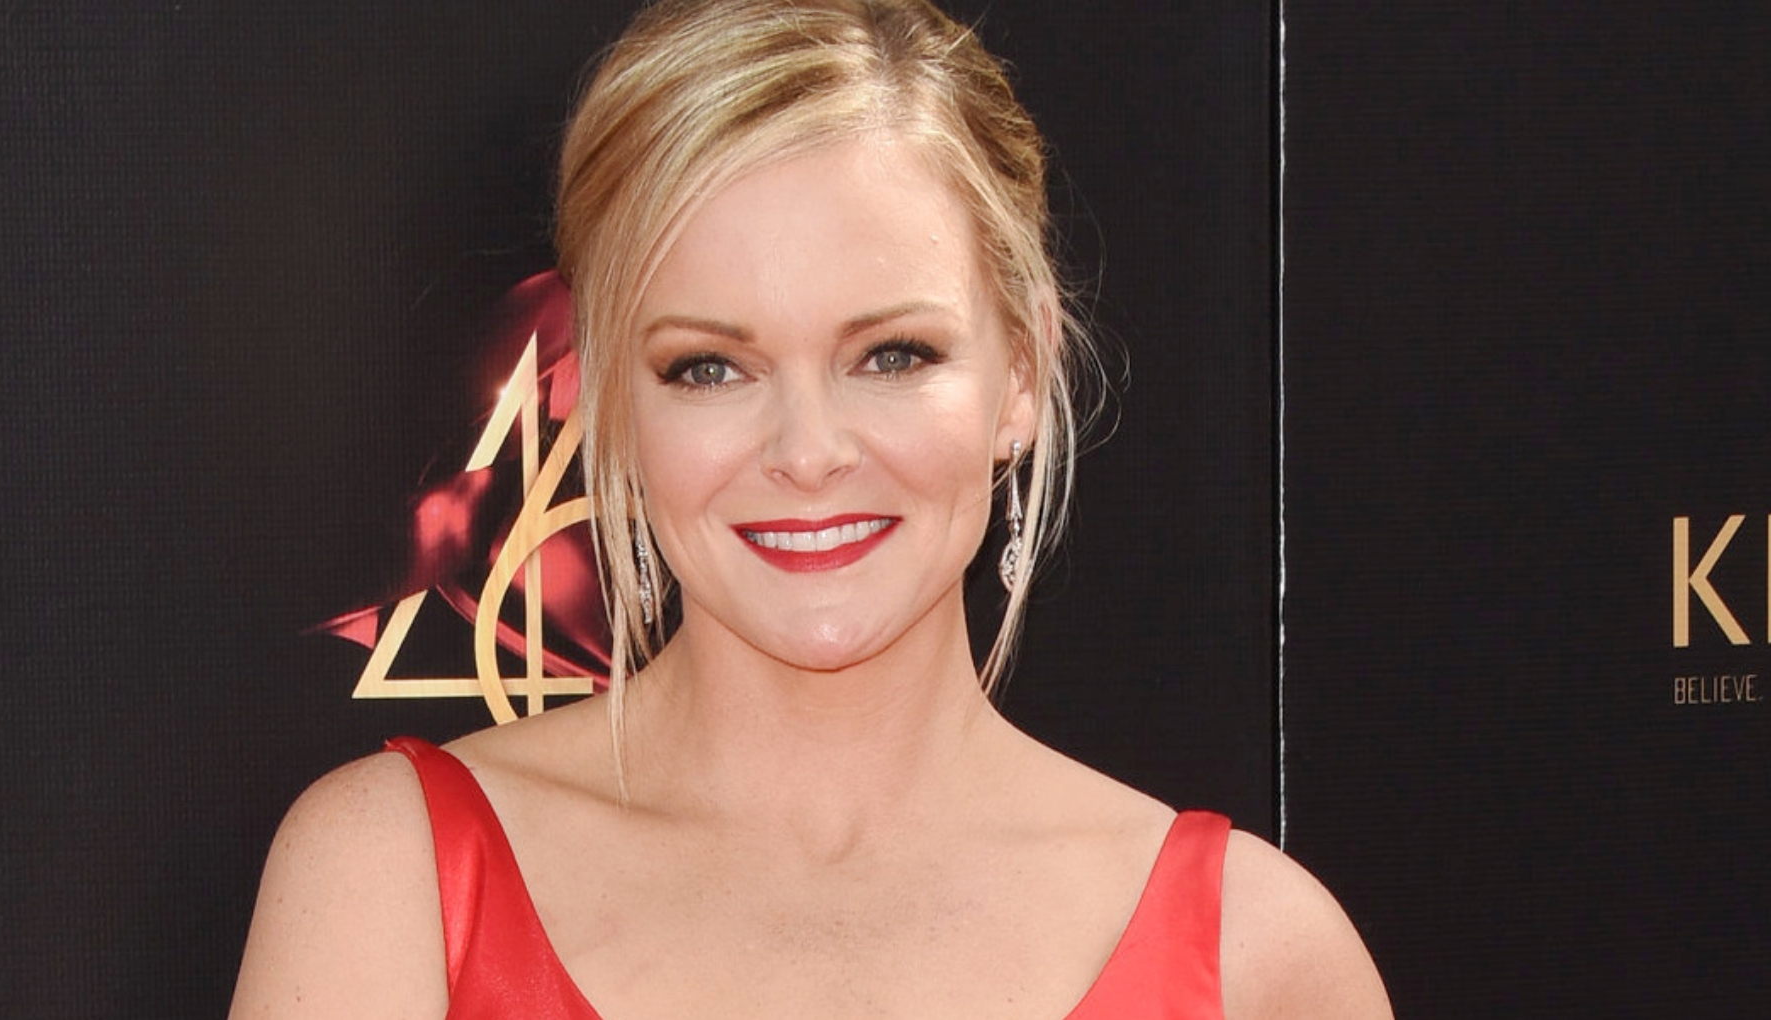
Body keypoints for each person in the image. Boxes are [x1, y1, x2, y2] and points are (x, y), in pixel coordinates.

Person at [230, 1, 1392, 1017]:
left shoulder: (1255, 958)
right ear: (607, 400)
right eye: (709, 368)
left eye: (891, 355)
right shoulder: (392, 884)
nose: (807, 453)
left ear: (1021, 373)